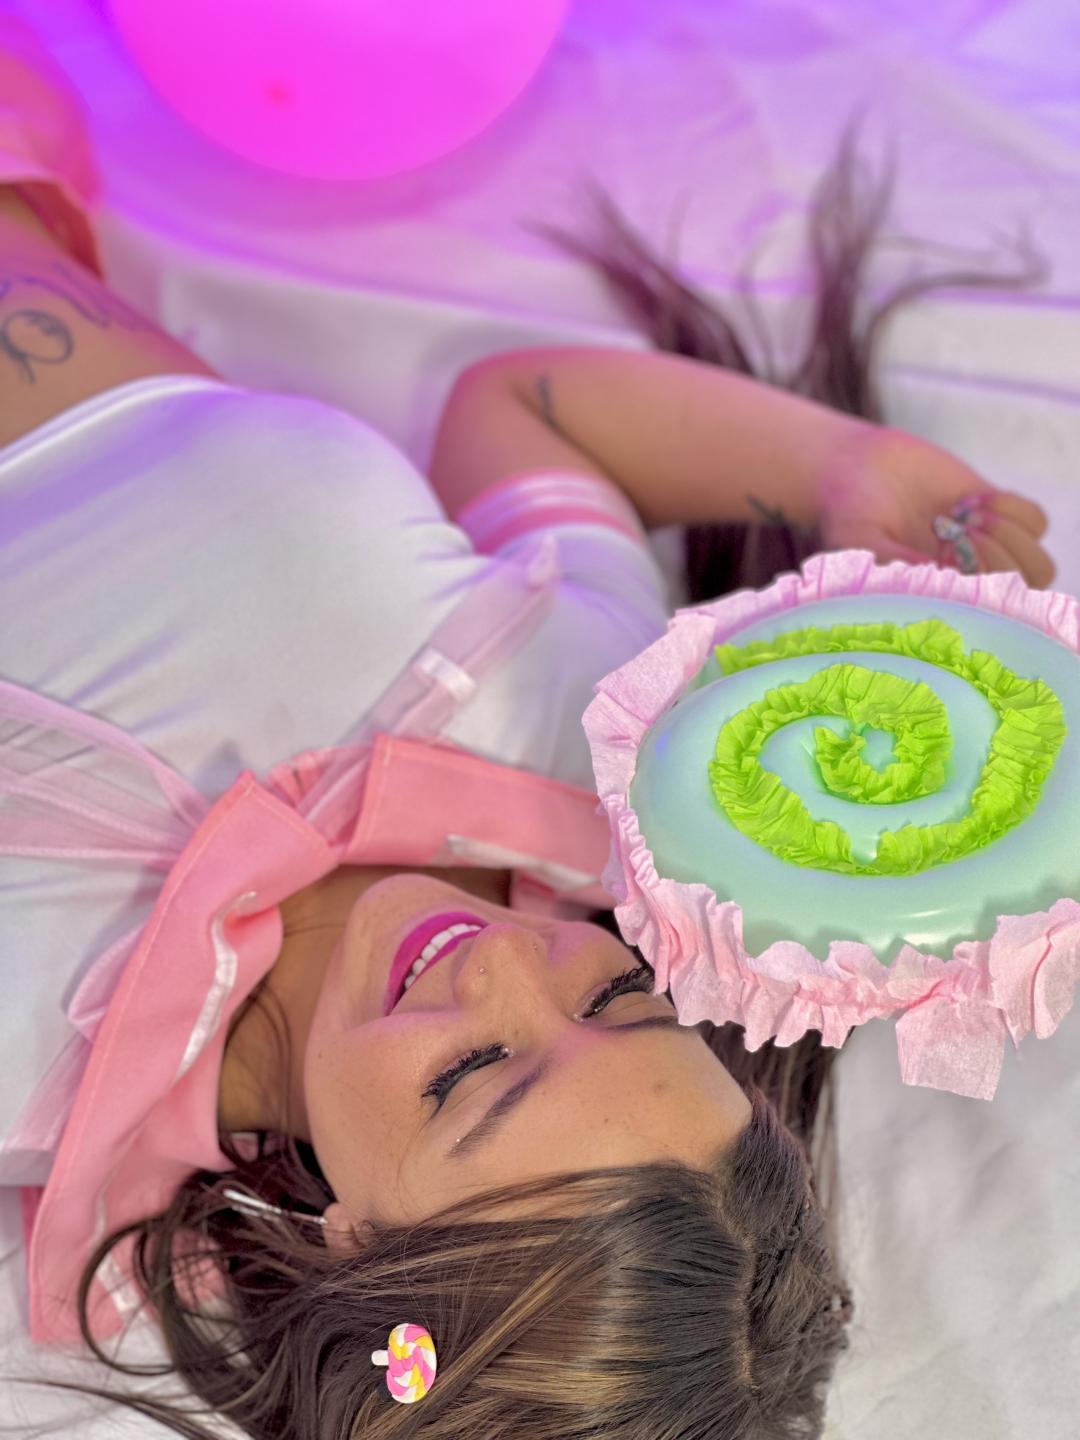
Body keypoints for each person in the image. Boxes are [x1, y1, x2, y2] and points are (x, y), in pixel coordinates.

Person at [0, 17, 1055, 1439]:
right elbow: (524, 407)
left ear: (351, 1250)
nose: (507, 964)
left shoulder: (32, 1053)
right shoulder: (582, 742)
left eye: (471, 1077)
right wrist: (836, 466)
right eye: (617, 1002)